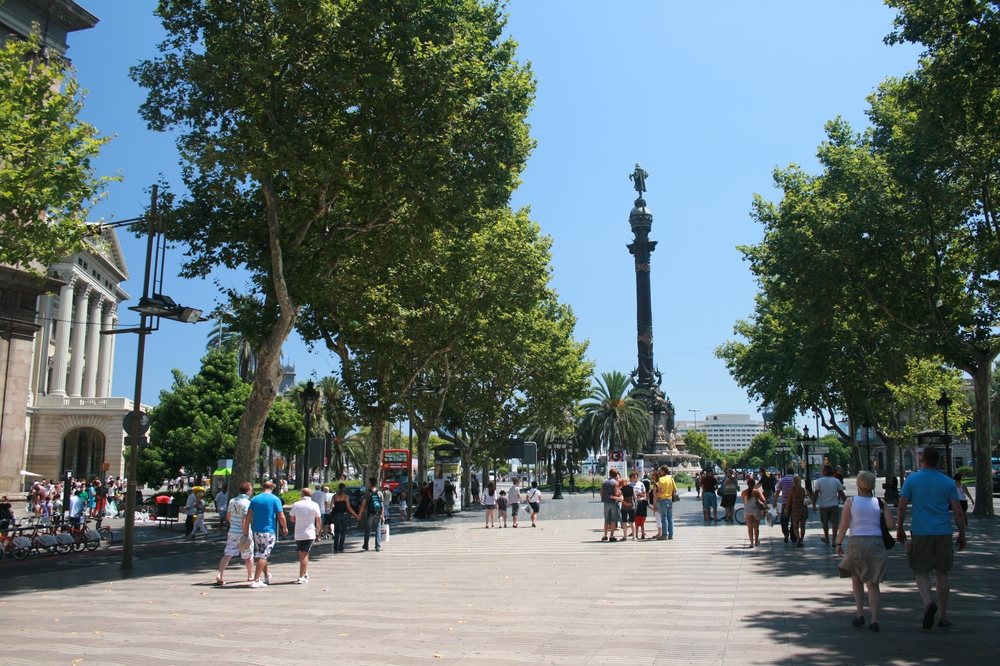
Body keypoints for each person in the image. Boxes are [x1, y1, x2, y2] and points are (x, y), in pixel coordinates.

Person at [896, 447, 966, 629]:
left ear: (922, 460)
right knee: (942, 573)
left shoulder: (911, 479)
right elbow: (957, 511)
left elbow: (902, 507)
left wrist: (899, 528)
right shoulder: (948, 482)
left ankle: (928, 603)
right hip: (943, 531)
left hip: (920, 531)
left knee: (921, 571)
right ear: (938, 461)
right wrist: (962, 534)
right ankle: (943, 615)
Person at [836, 471, 895, 632]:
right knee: (873, 583)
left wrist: (838, 542)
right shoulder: (880, 502)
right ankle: (874, 620)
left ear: (858, 484)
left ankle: (860, 614)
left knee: (856, 579)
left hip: (856, 542)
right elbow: (891, 524)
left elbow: (844, 525)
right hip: (875, 542)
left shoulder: (851, 501)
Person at [245, 480, 288, 588]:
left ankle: (266, 575)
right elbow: (281, 515)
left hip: (257, 530)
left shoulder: (255, 499)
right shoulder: (275, 499)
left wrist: (246, 529)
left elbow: (248, 516)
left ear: (262, 487)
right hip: (268, 530)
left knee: (262, 552)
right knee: (263, 555)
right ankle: (256, 580)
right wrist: (284, 527)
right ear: (273, 488)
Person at [216, 482, 254, 585]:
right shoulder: (247, 502)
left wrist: (233, 524)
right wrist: (245, 532)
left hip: (232, 531)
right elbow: (245, 519)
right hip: (243, 532)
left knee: (228, 553)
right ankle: (250, 575)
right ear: (248, 491)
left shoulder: (232, 501)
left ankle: (220, 573)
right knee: (248, 554)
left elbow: (228, 516)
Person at [290, 488, 323, 583]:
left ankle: (304, 571)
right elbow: (318, 519)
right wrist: (318, 528)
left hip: (298, 533)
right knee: (305, 554)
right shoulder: (314, 505)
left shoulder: (296, 504)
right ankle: (301, 576)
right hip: (309, 533)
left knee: (301, 553)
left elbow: (292, 518)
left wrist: (299, 521)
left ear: (302, 494)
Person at [813, 465, 846, 545]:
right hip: (834, 504)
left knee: (825, 522)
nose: (822, 471)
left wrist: (814, 504)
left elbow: (816, 494)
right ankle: (834, 540)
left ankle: (827, 538)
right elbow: (841, 493)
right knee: (835, 522)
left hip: (823, 505)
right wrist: (846, 502)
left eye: (823, 470)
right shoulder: (836, 481)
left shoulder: (819, 481)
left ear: (825, 472)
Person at [330, 483, 359, 552]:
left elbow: (331, 506)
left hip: (337, 515)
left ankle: (335, 546)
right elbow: (349, 507)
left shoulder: (334, 496)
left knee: (337, 531)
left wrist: (336, 507)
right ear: (344, 489)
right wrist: (356, 515)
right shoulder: (346, 497)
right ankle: (341, 546)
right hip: (344, 514)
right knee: (343, 532)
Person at [358, 477, 384, 552]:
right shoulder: (380, 493)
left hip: (370, 513)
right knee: (378, 529)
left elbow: (363, 504)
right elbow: (382, 506)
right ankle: (377, 546)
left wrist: (359, 513)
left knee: (368, 529)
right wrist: (383, 516)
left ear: (370, 483)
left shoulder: (367, 493)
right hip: (377, 513)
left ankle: (366, 545)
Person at [773, 468, 797, 543]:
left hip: (785, 502)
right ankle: (793, 535)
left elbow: (778, 491)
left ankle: (786, 533)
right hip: (794, 502)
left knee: (784, 519)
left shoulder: (782, 480)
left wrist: (775, 501)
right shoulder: (796, 480)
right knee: (794, 519)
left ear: (786, 472)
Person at [741, 477, 767, 547]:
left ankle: (751, 543)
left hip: (747, 511)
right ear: (754, 484)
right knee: (756, 527)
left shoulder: (743, 492)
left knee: (750, 528)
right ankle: (756, 541)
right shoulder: (757, 492)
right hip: (756, 511)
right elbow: (764, 500)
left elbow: (743, 502)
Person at [655, 465, 678, 540]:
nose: (660, 472)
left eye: (660, 470)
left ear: (663, 471)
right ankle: (671, 534)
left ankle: (664, 534)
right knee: (670, 518)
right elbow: (675, 489)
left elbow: (661, 491)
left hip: (663, 499)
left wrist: (656, 494)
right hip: (670, 499)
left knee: (664, 518)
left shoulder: (661, 479)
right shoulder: (671, 479)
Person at [600, 469, 623, 542]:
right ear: (615, 475)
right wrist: (620, 493)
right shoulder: (615, 483)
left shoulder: (604, 482)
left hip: (606, 502)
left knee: (606, 520)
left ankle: (605, 535)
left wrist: (604, 498)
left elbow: (601, 492)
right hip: (613, 503)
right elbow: (616, 493)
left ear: (609, 474)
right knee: (613, 520)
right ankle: (612, 535)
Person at [789, 475, 808, 548]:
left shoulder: (791, 490)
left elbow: (789, 501)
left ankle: (798, 537)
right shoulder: (803, 490)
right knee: (802, 526)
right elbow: (810, 497)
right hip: (803, 509)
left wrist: (786, 509)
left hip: (795, 509)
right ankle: (802, 540)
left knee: (795, 527)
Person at [631, 472, 648, 539]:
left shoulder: (641, 484)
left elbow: (644, 492)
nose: (635, 477)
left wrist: (644, 498)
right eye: (633, 476)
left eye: (636, 476)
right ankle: (634, 531)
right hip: (632, 501)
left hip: (640, 500)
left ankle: (640, 533)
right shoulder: (629, 484)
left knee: (639, 520)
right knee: (634, 517)